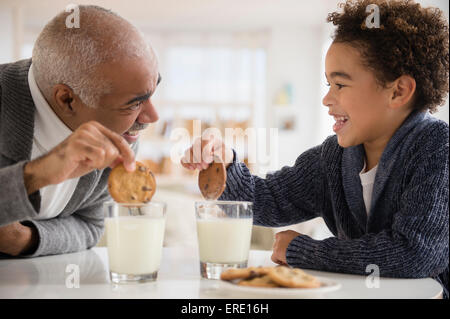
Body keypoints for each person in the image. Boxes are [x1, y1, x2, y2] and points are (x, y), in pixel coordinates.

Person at [181, 0, 449, 298]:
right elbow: (266, 199)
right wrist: (226, 160)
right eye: (327, 84)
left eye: (340, 85)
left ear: (397, 91)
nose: (326, 99)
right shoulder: (333, 158)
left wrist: (302, 250)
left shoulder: (438, 149)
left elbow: (415, 254)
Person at [0, 5, 160, 257]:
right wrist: (35, 175)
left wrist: (23, 239)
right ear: (67, 100)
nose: (153, 116)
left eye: (152, 93)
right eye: (135, 102)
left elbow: (90, 225)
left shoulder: (122, 133)